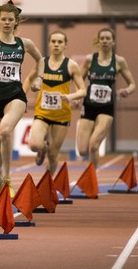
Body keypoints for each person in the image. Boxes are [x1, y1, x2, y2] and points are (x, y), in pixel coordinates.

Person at [0, 0, 44, 200]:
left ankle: (7, 179)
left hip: (15, 95)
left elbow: (40, 60)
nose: (6, 22)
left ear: (16, 23)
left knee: (6, 130)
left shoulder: (25, 44)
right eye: (3, 19)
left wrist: (38, 78)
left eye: (10, 20)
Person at [24, 30, 86, 176]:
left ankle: (48, 184)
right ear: (49, 44)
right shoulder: (42, 63)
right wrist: (22, 97)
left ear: (65, 45)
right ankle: (42, 147)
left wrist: (71, 96)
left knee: (53, 155)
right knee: (34, 145)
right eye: (53, 42)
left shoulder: (71, 65)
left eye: (60, 42)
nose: (56, 45)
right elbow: (28, 80)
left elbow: (83, 90)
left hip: (61, 115)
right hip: (42, 112)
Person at [76, 27, 136, 168]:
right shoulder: (90, 60)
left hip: (106, 107)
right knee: (82, 150)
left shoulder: (119, 61)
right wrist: (78, 96)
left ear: (113, 42)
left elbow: (133, 84)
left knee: (94, 145)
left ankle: (92, 178)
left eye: (108, 38)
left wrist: (127, 91)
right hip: (89, 105)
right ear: (98, 41)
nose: (104, 41)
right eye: (102, 38)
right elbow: (78, 80)